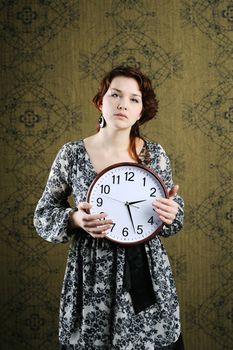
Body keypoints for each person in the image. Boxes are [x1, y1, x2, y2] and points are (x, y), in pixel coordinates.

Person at [34, 66, 185, 350]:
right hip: (91, 274)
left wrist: (172, 213)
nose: (122, 104)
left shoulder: (155, 155)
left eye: (133, 99)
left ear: (141, 111)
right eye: (115, 95)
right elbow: (42, 216)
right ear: (100, 100)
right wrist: (75, 218)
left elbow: (172, 215)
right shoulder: (72, 154)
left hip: (146, 272)